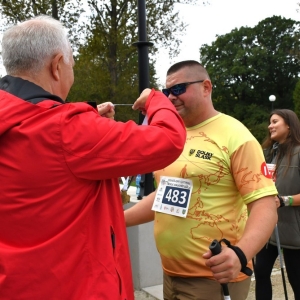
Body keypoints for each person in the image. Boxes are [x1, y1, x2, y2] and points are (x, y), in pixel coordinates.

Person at [0, 16, 186, 300]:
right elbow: (168, 140)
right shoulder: (68, 131)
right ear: (57, 64)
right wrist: (156, 101)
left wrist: (92, 126)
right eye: (72, 63)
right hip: (72, 287)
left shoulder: (19, 121)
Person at [124, 60, 278, 300]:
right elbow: (165, 195)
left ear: (206, 87)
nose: (171, 97)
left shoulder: (236, 135)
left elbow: (265, 205)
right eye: (166, 92)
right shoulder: (173, 136)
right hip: (170, 274)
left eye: (178, 89)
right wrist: (114, 219)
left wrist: (240, 254)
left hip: (213, 280)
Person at [254, 109, 300, 300]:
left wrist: (284, 200)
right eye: (269, 122)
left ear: (289, 124)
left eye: (275, 121)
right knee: (261, 271)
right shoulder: (270, 154)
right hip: (270, 228)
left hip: (294, 231)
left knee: (296, 279)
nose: (269, 126)